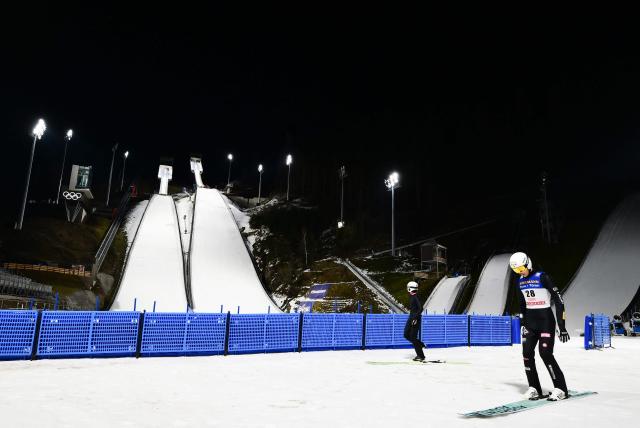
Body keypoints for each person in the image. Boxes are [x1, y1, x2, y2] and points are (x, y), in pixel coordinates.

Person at [509, 252, 570, 401]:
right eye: (516, 270)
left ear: (528, 263)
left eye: (521, 268)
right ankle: (534, 387)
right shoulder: (520, 281)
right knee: (527, 353)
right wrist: (523, 323)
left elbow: (559, 301)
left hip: (545, 321)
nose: (520, 272)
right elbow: (522, 304)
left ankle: (561, 388)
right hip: (530, 322)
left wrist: (562, 326)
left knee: (545, 353)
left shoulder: (542, 277)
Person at [404, 281, 426, 361]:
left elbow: (421, 308)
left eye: (408, 287)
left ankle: (421, 356)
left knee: (413, 337)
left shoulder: (416, 297)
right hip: (411, 318)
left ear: (410, 288)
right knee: (406, 334)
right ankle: (420, 344)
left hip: (415, 319)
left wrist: (415, 318)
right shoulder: (412, 296)